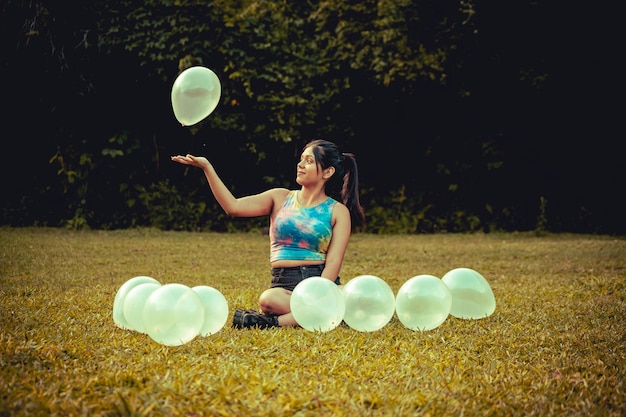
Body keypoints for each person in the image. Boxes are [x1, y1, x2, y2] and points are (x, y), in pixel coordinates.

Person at [171, 139, 365, 329]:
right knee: (268, 300)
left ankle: (271, 322)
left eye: (309, 161)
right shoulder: (279, 197)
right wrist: (207, 168)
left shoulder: (338, 211)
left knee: (354, 298)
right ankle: (328, 313)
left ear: (328, 172)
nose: (300, 165)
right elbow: (233, 207)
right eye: (301, 159)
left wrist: (319, 294)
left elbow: (333, 262)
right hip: (284, 284)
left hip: (320, 281)